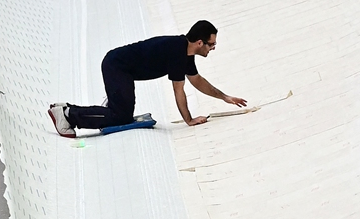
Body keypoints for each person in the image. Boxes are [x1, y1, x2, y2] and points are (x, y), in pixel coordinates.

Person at [48, 21, 247, 135]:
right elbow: (179, 90)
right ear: (199, 42)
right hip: (116, 66)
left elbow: (198, 81)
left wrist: (225, 97)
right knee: (120, 117)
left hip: (120, 67)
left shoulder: (184, 51)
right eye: (211, 45)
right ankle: (67, 115)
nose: (213, 48)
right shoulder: (178, 52)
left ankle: (113, 101)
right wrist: (189, 120)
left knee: (122, 110)